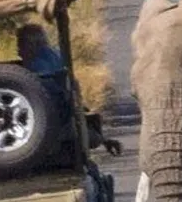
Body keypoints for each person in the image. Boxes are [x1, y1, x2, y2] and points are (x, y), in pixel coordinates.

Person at [15, 24, 122, 156]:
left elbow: (44, 98)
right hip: (69, 113)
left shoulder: (37, 66)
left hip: (56, 122)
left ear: (31, 45)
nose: (19, 52)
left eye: (20, 46)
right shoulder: (57, 55)